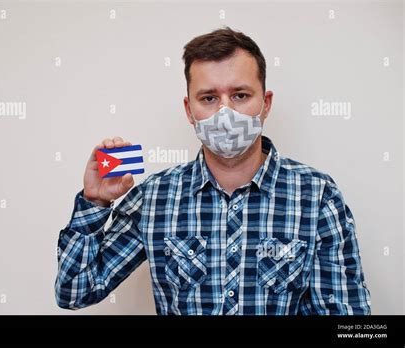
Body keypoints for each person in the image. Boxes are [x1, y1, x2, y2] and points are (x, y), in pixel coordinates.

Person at [54, 26, 371, 315]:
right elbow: (74, 291)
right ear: (189, 110)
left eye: (240, 95)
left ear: (266, 103)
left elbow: (348, 319)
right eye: (209, 97)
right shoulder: (154, 198)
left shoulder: (316, 196)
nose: (225, 113)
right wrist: (94, 203)